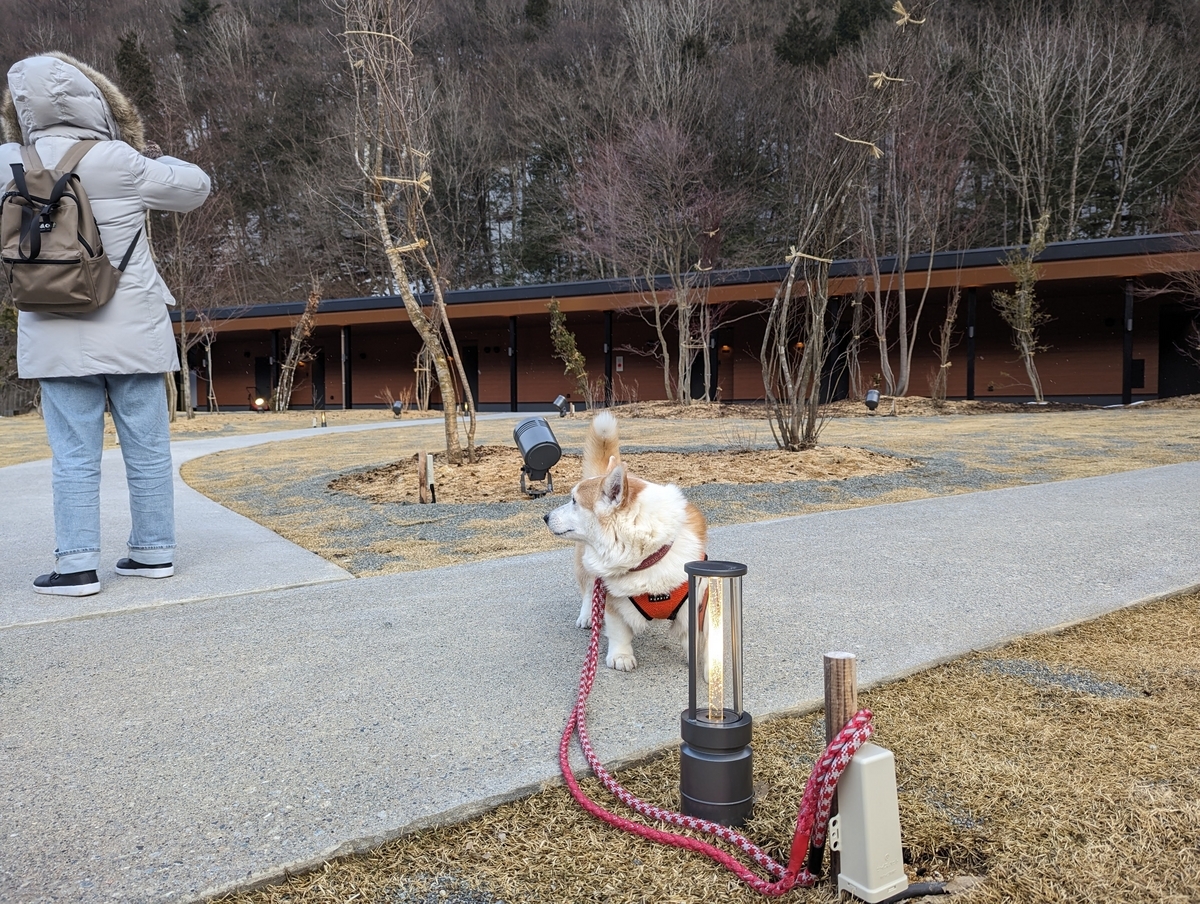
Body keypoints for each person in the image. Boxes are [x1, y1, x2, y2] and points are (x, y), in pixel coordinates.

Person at [1, 53, 212, 596]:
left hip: (51, 333)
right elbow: (195, 188)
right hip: (133, 331)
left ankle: (75, 567)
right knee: (146, 447)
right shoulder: (119, 159)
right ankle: (153, 554)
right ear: (96, 100)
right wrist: (152, 156)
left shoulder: (8, 163)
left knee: (72, 454)